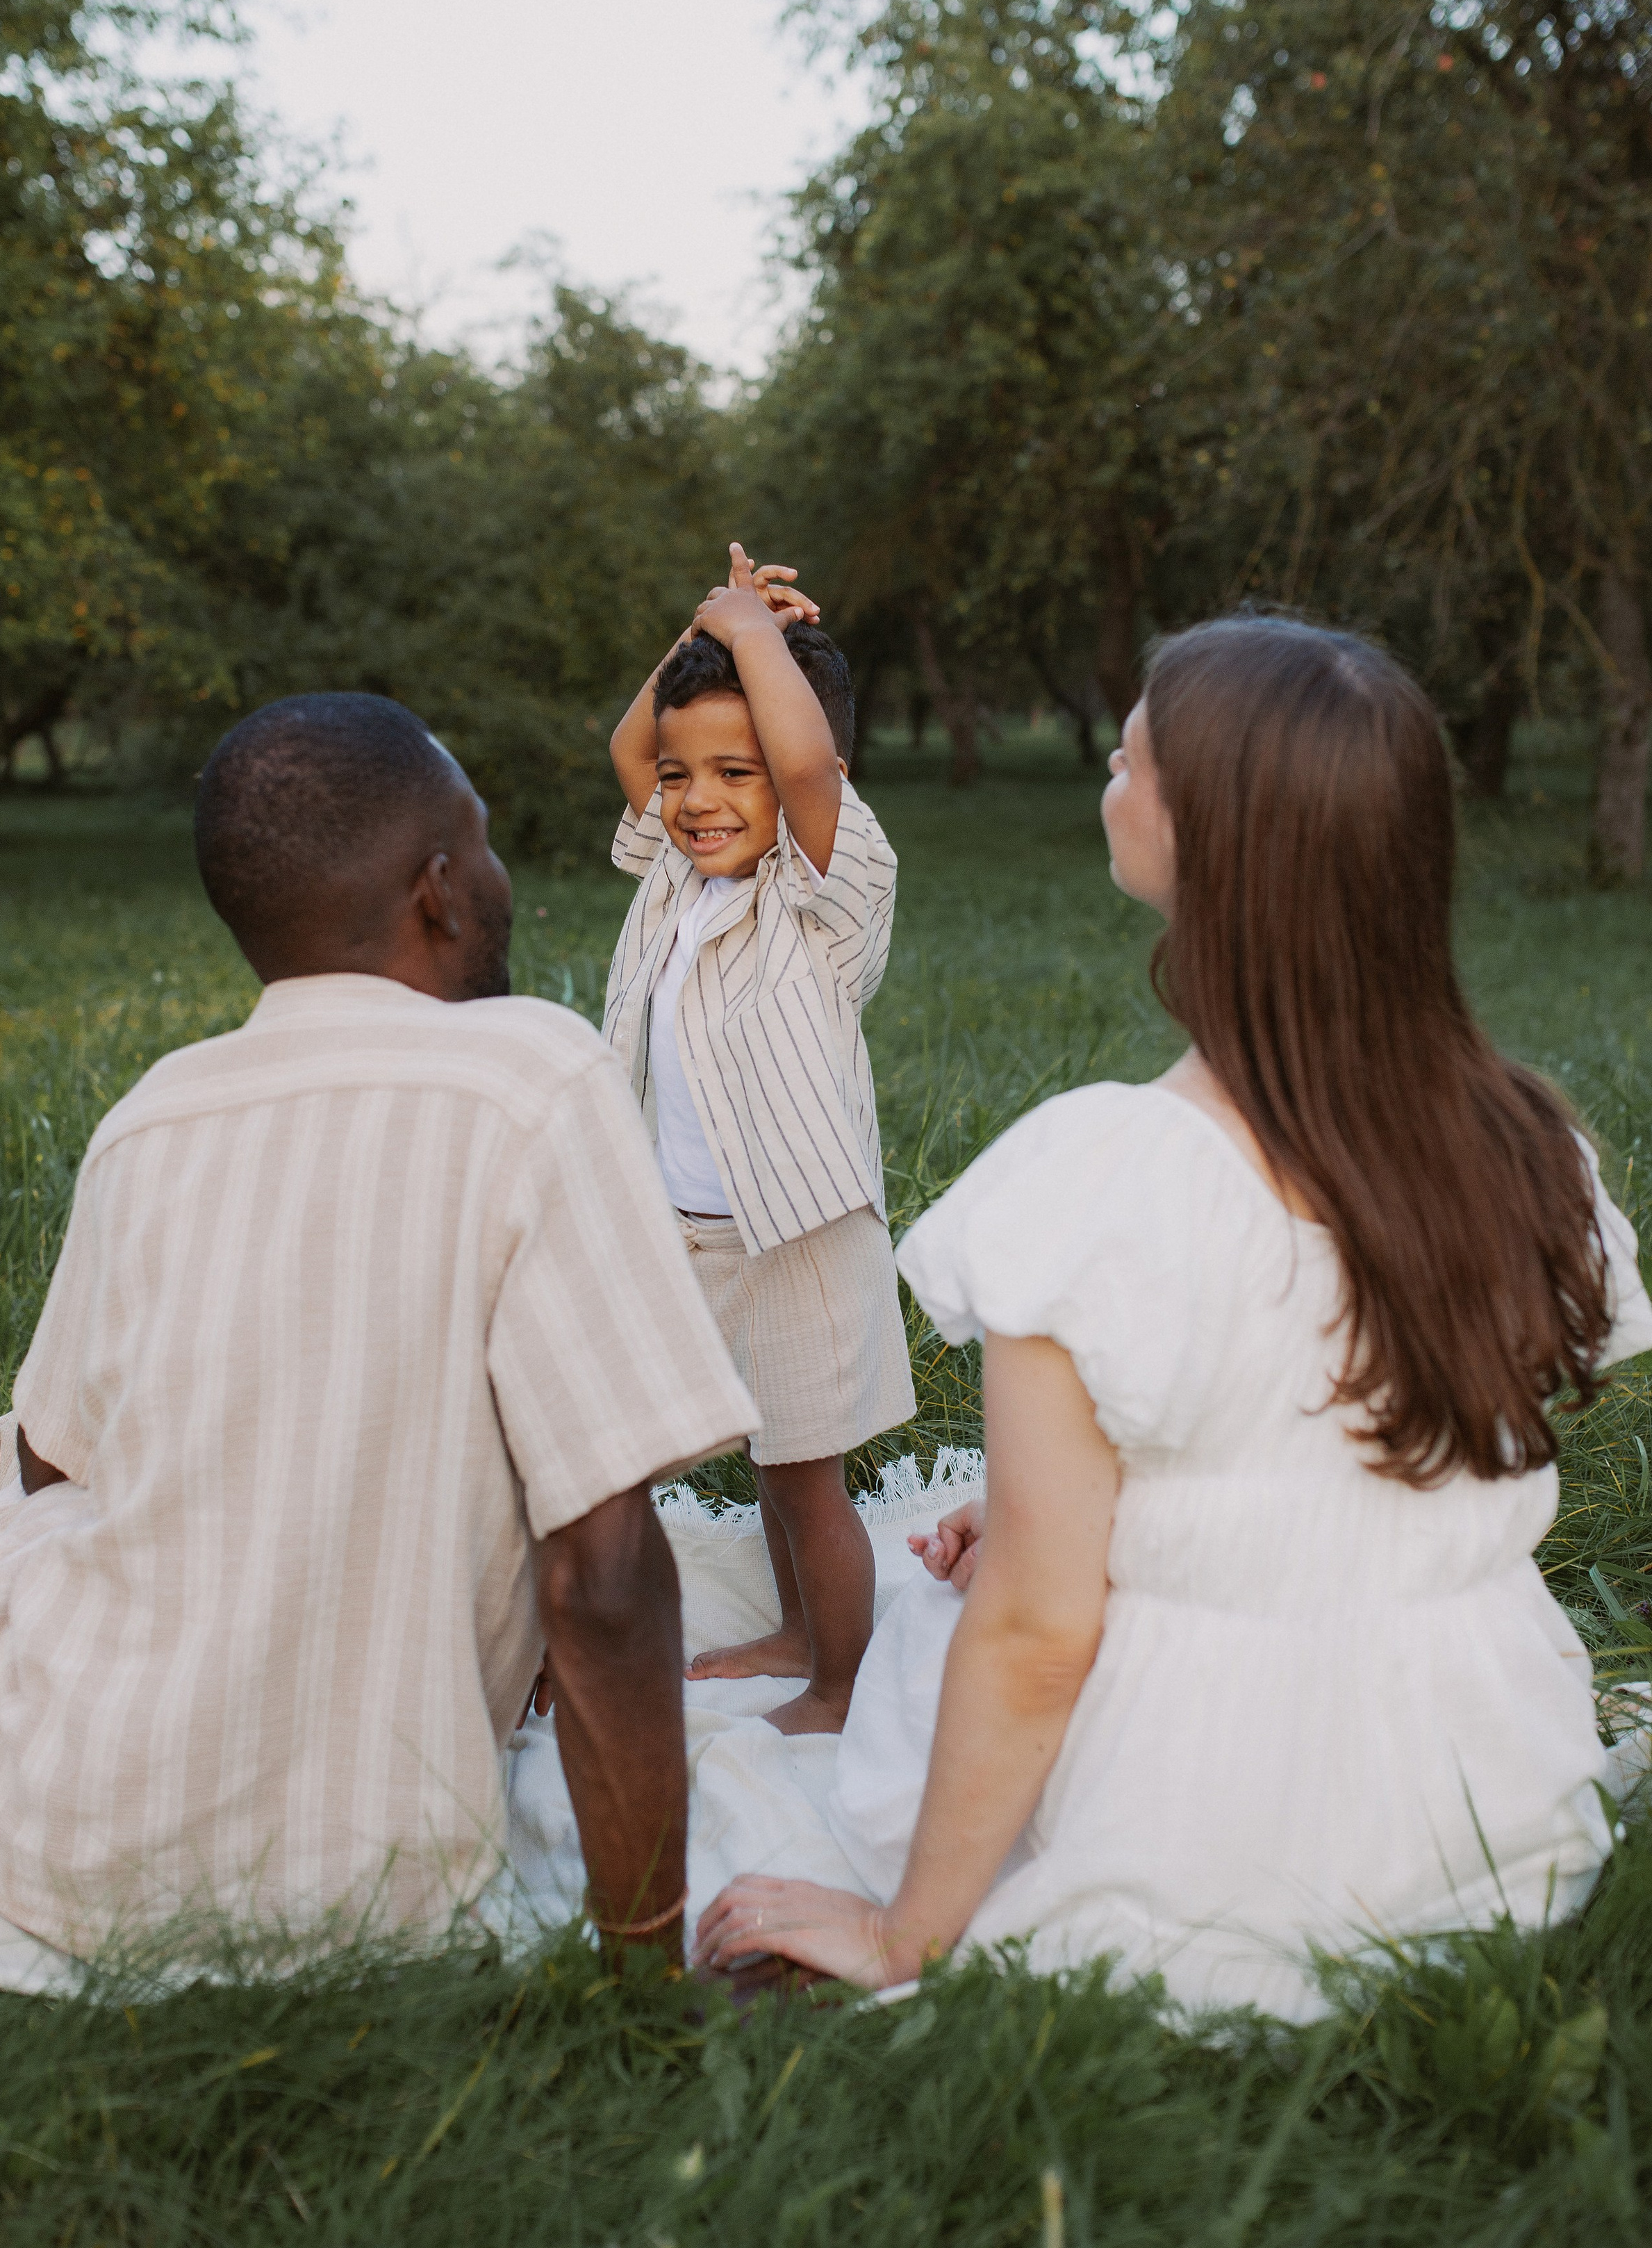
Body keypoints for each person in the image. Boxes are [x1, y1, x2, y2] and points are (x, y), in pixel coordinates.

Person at [694, 615, 1652, 2019]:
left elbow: (1032, 1633)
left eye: (1127, 755)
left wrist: (909, 1930)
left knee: (944, 1624)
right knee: (983, 1537)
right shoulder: (1527, 1145)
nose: (1104, 770)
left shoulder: (1116, 1176)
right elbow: (1352, 1463)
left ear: (1205, 837)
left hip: (1219, 1799)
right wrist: (1079, 1514)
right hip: (1474, 1761)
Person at [0, 694, 756, 1971]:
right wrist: (643, 1957)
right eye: (487, 845)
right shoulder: (532, 1076)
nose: (501, 877)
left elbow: (62, 1460)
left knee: (11, 1498)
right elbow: (609, 1571)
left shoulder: (151, 1117)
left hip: (64, 1843)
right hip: (379, 1880)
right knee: (18, 1483)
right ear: (440, 889)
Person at [604, 545, 915, 1735]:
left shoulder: (823, 888)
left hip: (795, 1238)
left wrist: (758, 635)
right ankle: (791, 1631)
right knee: (738, 1463)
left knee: (804, 1475)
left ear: (810, 777)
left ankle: (836, 1685)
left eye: (734, 773)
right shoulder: (678, 881)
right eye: (686, 779)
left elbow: (799, 756)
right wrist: (711, 628)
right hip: (679, 1233)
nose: (697, 800)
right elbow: (635, 748)